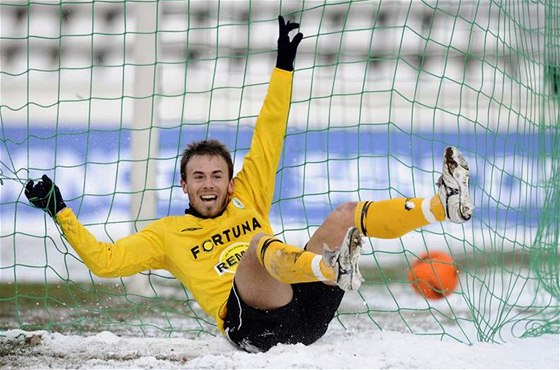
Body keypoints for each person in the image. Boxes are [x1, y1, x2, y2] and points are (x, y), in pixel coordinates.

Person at [24, 15, 474, 353]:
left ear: (229, 180)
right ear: (183, 186)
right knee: (257, 248)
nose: (209, 184)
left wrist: (283, 66)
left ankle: (440, 206)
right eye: (198, 177)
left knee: (344, 214)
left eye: (217, 175)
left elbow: (269, 131)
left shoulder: (248, 194)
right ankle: (331, 268)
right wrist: (59, 209)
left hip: (306, 309)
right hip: (253, 327)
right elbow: (104, 262)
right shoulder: (166, 235)